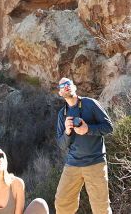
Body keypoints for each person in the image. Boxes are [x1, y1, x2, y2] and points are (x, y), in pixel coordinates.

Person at [54, 78, 113, 214]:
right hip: (72, 164)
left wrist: (88, 129)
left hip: (95, 163)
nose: (66, 86)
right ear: (60, 92)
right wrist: (67, 132)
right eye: (62, 86)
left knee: (101, 208)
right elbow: (62, 145)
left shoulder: (90, 104)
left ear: (74, 87)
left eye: (68, 83)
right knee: (62, 203)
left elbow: (109, 127)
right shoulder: (62, 114)